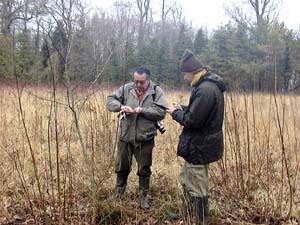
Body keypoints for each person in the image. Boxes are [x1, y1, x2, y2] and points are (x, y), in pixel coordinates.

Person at [166, 50, 226, 224]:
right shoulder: (205, 86)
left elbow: (193, 121)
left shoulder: (206, 89)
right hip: (198, 145)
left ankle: (200, 220)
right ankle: (187, 213)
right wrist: (182, 108)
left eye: (185, 74)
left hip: (200, 147)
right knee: (187, 178)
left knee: (198, 185)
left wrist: (175, 114)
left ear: (192, 71)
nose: (184, 77)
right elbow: (198, 112)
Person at [106, 66, 168, 210]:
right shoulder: (126, 88)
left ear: (148, 80)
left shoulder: (156, 92)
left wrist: (144, 111)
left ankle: (143, 197)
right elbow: (110, 100)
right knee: (121, 166)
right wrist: (121, 107)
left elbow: (161, 111)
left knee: (144, 169)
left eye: (142, 82)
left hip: (145, 138)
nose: (138, 85)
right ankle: (119, 193)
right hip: (125, 136)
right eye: (136, 81)